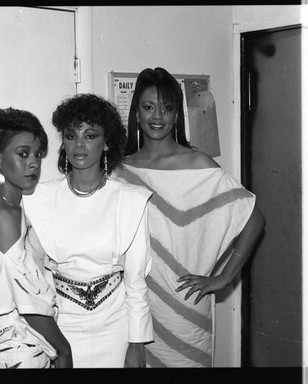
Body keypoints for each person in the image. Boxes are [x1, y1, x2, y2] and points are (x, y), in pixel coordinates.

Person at [115, 67, 266, 367]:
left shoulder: (199, 165)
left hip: (186, 309)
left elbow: (254, 218)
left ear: (176, 115)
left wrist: (223, 278)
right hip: (135, 309)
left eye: (167, 108)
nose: (157, 116)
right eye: (148, 107)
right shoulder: (121, 172)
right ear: (136, 114)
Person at [23, 94, 153, 368]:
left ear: (106, 142)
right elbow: (30, 277)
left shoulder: (130, 199)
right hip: (61, 326)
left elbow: (136, 280)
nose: (79, 144)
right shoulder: (39, 198)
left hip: (115, 327)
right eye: (71, 136)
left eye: (90, 135)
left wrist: (137, 343)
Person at [0, 107, 73, 368]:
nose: (33, 163)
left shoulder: (8, 205)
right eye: (23, 154)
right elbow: (30, 305)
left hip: (29, 345)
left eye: (37, 155)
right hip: (18, 351)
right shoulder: (0, 214)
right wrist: (64, 350)